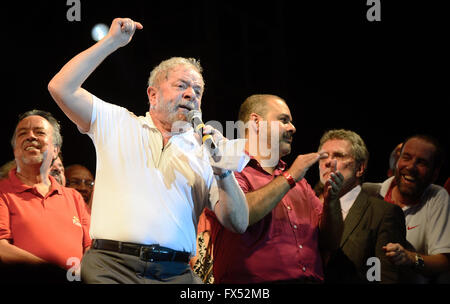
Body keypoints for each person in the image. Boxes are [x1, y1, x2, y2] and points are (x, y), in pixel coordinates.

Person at [48, 17, 249, 284]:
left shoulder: (206, 151)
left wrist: (223, 170)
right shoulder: (117, 122)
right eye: (181, 85)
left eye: (198, 90)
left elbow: (238, 222)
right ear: (152, 95)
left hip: (176, 273)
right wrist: (111, 43)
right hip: (111, 267)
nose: (191, 94)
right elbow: (60, 87)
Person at [197, 94, 344, 284]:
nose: (292, 128)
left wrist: (332, 201)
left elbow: (330, 243)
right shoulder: (227, 168)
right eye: (284, 120)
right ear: (256, 122)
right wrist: (289, 177)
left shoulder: (300, 182)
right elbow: (241, 216)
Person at [0, 110, 91, 283]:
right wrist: (55, 273)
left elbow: (90, 246)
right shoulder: (2, 192)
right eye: (22, 133)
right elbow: (1, 249)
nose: (31, 136)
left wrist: (80, 276)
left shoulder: (74, 197)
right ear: (14, 149)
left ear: (56, 149)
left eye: (39, 132)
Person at [318, 129, 408, 283]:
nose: (328, 162)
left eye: (338, 156)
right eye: (323, 156)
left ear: (360, 168)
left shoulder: (384, 214)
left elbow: (386, 278)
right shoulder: (308, 206)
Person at [363, 134, 450, 283]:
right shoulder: (369, 192)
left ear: (434, 174)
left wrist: (411, 258)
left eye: (421, 162)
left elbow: (444, 262)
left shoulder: (437, 197)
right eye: (406, 157)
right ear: (397, 162)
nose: (411, 167)